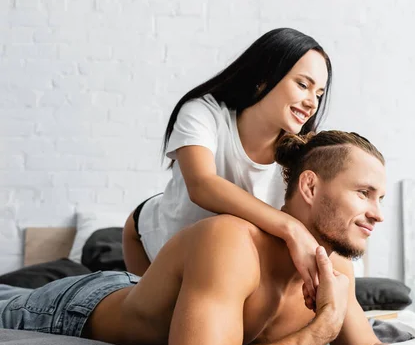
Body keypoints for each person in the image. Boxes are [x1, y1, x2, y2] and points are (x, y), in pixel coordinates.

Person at [0, 131, 415, 345]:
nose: (378, 213)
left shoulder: (339, 270)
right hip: (71, 308)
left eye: (381, 198)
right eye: (364, 194)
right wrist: (317, 332)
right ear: (309, 187)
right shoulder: (231, 242)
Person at [123, 27, 332, 301]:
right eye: (303, 85)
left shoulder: (304, 153)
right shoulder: (203, 113)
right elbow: (202, 185)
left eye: (319, 93)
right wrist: (291, 228)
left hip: (221, 263)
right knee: (157, 330)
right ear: (263, 78)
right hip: (150, 242)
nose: (311, 103)